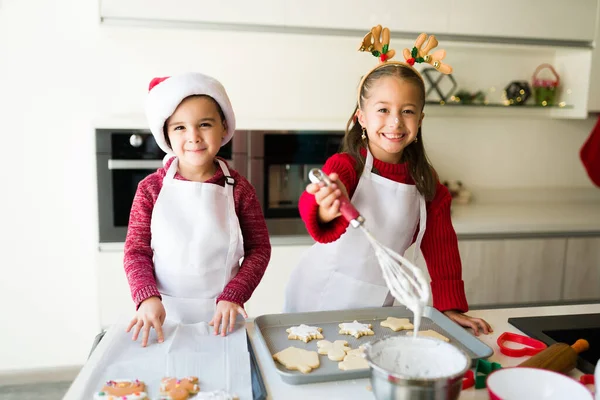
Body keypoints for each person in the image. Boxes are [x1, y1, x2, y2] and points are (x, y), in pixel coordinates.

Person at [284, 26, 491, 335]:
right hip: (321, 297)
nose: (395, 122)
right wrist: (326, 207)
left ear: (420, 120)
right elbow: (315, 201)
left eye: (407, 111)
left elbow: (441, 243)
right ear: (361, 118)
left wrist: (450, 306)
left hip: (378, 301)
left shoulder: (425, 180)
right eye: (383, 110)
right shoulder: (347, 165)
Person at [123, 72, 271, 346]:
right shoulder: (150, 189)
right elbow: (136, 251)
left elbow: (259, 249)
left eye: (204, 124)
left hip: (223, 315)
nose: (193, 137)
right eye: (179, 127)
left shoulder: (239, 189)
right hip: (161, 314)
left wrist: (234, 294)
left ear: (223, 127)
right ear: (166, 134)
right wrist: (146, 297)